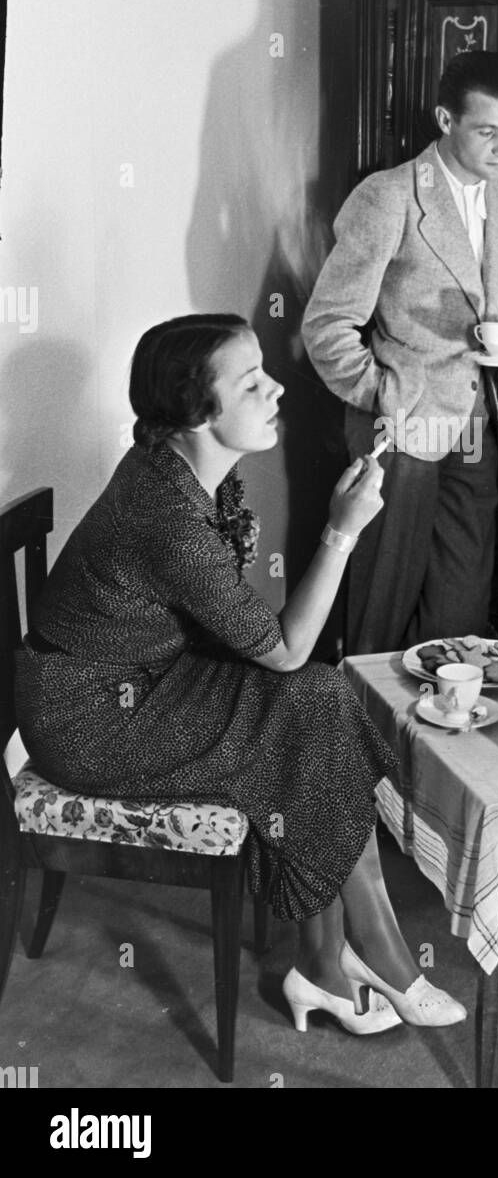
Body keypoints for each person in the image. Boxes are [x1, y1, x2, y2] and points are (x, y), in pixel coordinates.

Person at [15, 314, 466, 1031]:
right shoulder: (166, 514)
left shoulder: (183, 468)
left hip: (147, 677)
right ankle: (362, 955)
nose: (277, 388)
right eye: (252, 381)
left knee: (314, 698)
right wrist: (342, 530)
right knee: (304, 694)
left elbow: (271, 647)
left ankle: (325, 964)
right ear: (198, 412)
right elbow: (282, 649)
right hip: (90, 720)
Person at [302, 51, 498, 655]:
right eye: (487, 131)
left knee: (461, 607)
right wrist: (385, 395)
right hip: (398, 426)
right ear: (444, 118)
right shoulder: (389, 197)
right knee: (382, 606)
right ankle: (365, 741)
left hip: (474, 422)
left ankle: (438, 741)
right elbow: (327, 325)